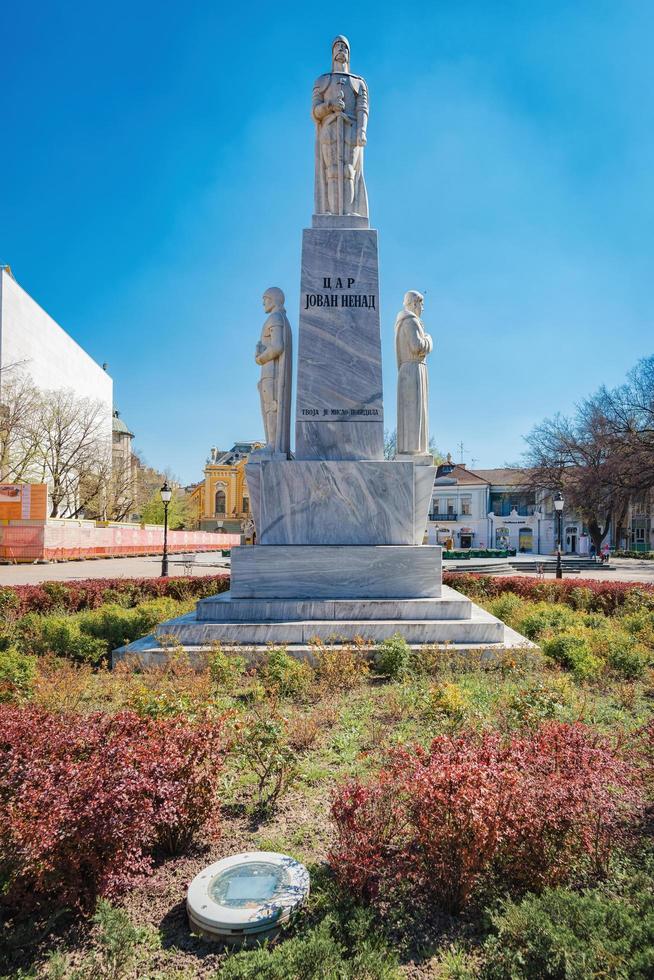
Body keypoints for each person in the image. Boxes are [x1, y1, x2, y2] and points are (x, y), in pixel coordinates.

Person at [312, 36, 369, 217]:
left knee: (348, 171)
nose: (341, 49)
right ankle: (331, 212)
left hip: (350, 127)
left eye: (344, 47)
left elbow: (362, 108)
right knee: (332, 172)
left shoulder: (358, 82)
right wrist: (330, 106)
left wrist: (362, 130)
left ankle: (349, 211)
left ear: (349, 53)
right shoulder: (323, 81)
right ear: (332, 52)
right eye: (337, 46)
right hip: (329, 129)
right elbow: (315, 111)